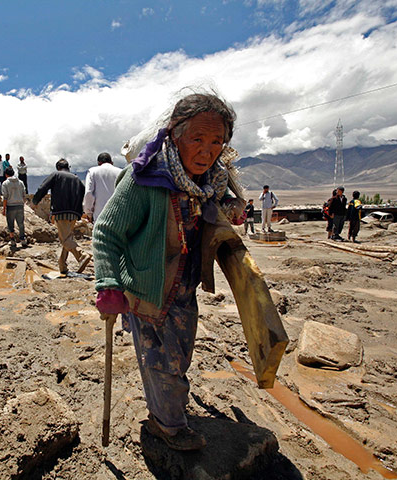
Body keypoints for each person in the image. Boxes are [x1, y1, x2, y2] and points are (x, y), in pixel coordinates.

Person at [93, 92, 245, 451]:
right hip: (147, 289)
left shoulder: (212, 181)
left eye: (216, 142)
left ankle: (167, 409)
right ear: (176, 135)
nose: (207, 151)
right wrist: (108, 283)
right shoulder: (145, 178)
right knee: (162, 361)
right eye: (197, 139)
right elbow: (107, 231)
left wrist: (229, 209)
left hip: (184, 289)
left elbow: (213, 208)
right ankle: (169, 425)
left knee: (178, 358)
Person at [32, 158, 91, 274]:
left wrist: (35, 201)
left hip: (61, 212)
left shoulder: (56, 175)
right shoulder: (77, 179)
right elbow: (84, 194)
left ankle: (82, 255)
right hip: (74, 213)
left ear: (58, 167)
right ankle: (62, 266)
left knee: (65, 239)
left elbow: (42, 188)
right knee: (67, 237)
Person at [83, 152, 122, 223]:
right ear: (112, 162)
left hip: (99, 215)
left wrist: (89, 213)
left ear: (99, 163)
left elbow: (89, 193)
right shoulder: (121, 172)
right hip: (118, 215)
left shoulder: (92, 172)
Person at [1, 167, 27, 247]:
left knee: (10, 223)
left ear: (6, 175)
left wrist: (4, 208)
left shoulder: (5, 183)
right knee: (21, 223)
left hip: (10, 206)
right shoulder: (21, 182)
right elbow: (24, 195)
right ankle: (23, 240)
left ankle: (13, 241)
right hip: (20, 205)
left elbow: (5, 197)